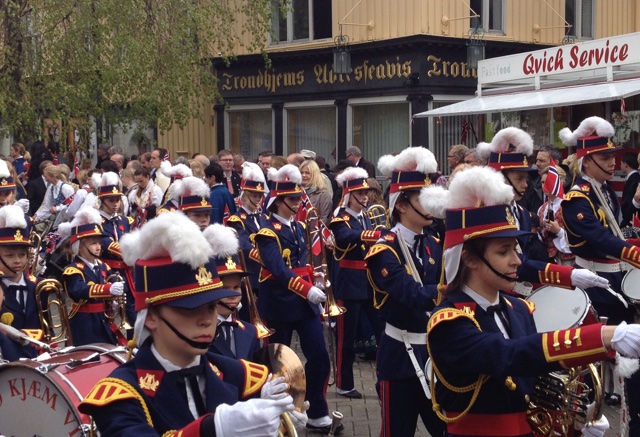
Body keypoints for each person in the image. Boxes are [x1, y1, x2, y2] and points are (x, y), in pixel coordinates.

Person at [421, 164, 640, 437]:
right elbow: (510, 356)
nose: (516, 261)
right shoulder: (449, 321)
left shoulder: (520, 308)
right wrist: (603, 336)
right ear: (469, 259)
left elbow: (534, 390)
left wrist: (573, 425)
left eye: (515, 249)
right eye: (504, 252)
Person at [79, 211, 306, 436]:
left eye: (210, 306)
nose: (207, 319)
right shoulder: (120, 394)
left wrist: (277, 417)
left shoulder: (239, 374)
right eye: (189, 309)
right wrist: (212, 429)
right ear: (151, 317)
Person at [560, 116, 640, 426]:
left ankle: (629, 415)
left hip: (616, 279)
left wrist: (633, 244)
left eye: (613, 156)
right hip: (596, 283)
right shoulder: (576, 199)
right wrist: (632, 252)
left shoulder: (604, 191)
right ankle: (584, 419)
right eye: (605, 157)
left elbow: (617, 233)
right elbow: (599, 238)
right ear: (586, 160)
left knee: (627, 351)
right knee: (591, 355)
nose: (613, 162)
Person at [252, 164, 341, 434]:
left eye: (298, 198)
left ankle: (316, 410)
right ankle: (276, 417)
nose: (298, 202)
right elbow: (278, 269)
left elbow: (304, 261)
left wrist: (317, 281)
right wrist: (306, 289)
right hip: (280, 303)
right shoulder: (267, 232)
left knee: (319, 356)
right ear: (279, 202)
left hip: (304, 304)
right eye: (292, 199)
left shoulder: (298, 225)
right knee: (278, 364)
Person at [365, 146, 445, 437]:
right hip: (399, 356)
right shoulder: (383, 250)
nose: (431, 205)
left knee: (445, 428)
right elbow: (410, 293)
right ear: (400, 205)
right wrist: (452, 290)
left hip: (433, 354)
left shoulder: (432, 243)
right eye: (421, 199)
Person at [329, 167, 385, 400]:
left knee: (383, 334)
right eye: (360, 194)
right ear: (349, 195)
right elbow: (344, 237)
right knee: (346, 339)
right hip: (349, 284)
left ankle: (384, 380)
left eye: (366, 194)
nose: (364, 198)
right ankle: (344, 384)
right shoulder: (340, 219)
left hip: (370, 283)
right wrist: (374, 235)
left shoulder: (367, 217)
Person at [59, 207, 126, 346]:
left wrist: (115, 299)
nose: (98, 247)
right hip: (84, 325)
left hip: (104, 321)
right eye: (93, 243)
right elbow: (78, 291)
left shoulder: (103, 266)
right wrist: (108, 290)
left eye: (99, 243)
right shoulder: (72, 270)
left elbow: (113, 280)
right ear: (80, 246)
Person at [207, 224, 261, 361]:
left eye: (236, 287)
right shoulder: (198, 332)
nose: (233, 294)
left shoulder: (250, 331)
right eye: (224, 288)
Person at [226, 162, 268, 322]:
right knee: (247, 319)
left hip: (265, 275)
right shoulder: (236, 220)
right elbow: (243, 246)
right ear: (245, 195)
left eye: (259, 195)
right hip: (249, 276)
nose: (257, 199)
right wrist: (267, 258)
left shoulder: (264, 218)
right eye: (254, 195)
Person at [96, 172, 136, 332]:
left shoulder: (124, 220)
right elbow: (108, 244)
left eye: (117, 200)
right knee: (108, 312)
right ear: (102, 201)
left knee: (132, 311)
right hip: (108, 272)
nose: (115, 204)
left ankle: (135, 345)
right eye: (110, 200)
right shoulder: (97, 221)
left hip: (126, 272)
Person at [0, 205, 41, 333]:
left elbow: (47, 326)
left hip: (38, 351)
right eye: (9, 255)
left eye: (22, 254)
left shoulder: (39, 285)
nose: (17, 260)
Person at [536, 166, 574, 265]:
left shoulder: (570, 205)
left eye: (549, 181)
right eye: (543, 182)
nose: (545, 186)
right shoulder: (541, 209)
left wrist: (559, 231)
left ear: (560, 183)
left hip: (567, 258)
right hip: (547, 258)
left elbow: (579, 236)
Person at [33, 164, 76, 229]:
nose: (45, 179)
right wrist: (36, 217)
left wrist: (57, 208)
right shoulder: (51, 188)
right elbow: (47, 206)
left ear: (54, 176)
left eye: (46, 177)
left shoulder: (66, 188)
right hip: (56, 219)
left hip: (67, 221)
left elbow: (73, 205)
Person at [300, 159, 332, 224]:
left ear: (314, 175)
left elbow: (324, 219)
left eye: (307, 173)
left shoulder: (323, 195)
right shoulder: (296, 192)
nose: (303, 175)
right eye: (302, 172)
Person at [620, 152, 640, 228]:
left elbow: (628, 212)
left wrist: (635, 201)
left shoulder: (634, 181)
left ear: (625, 164)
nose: (638, 168)